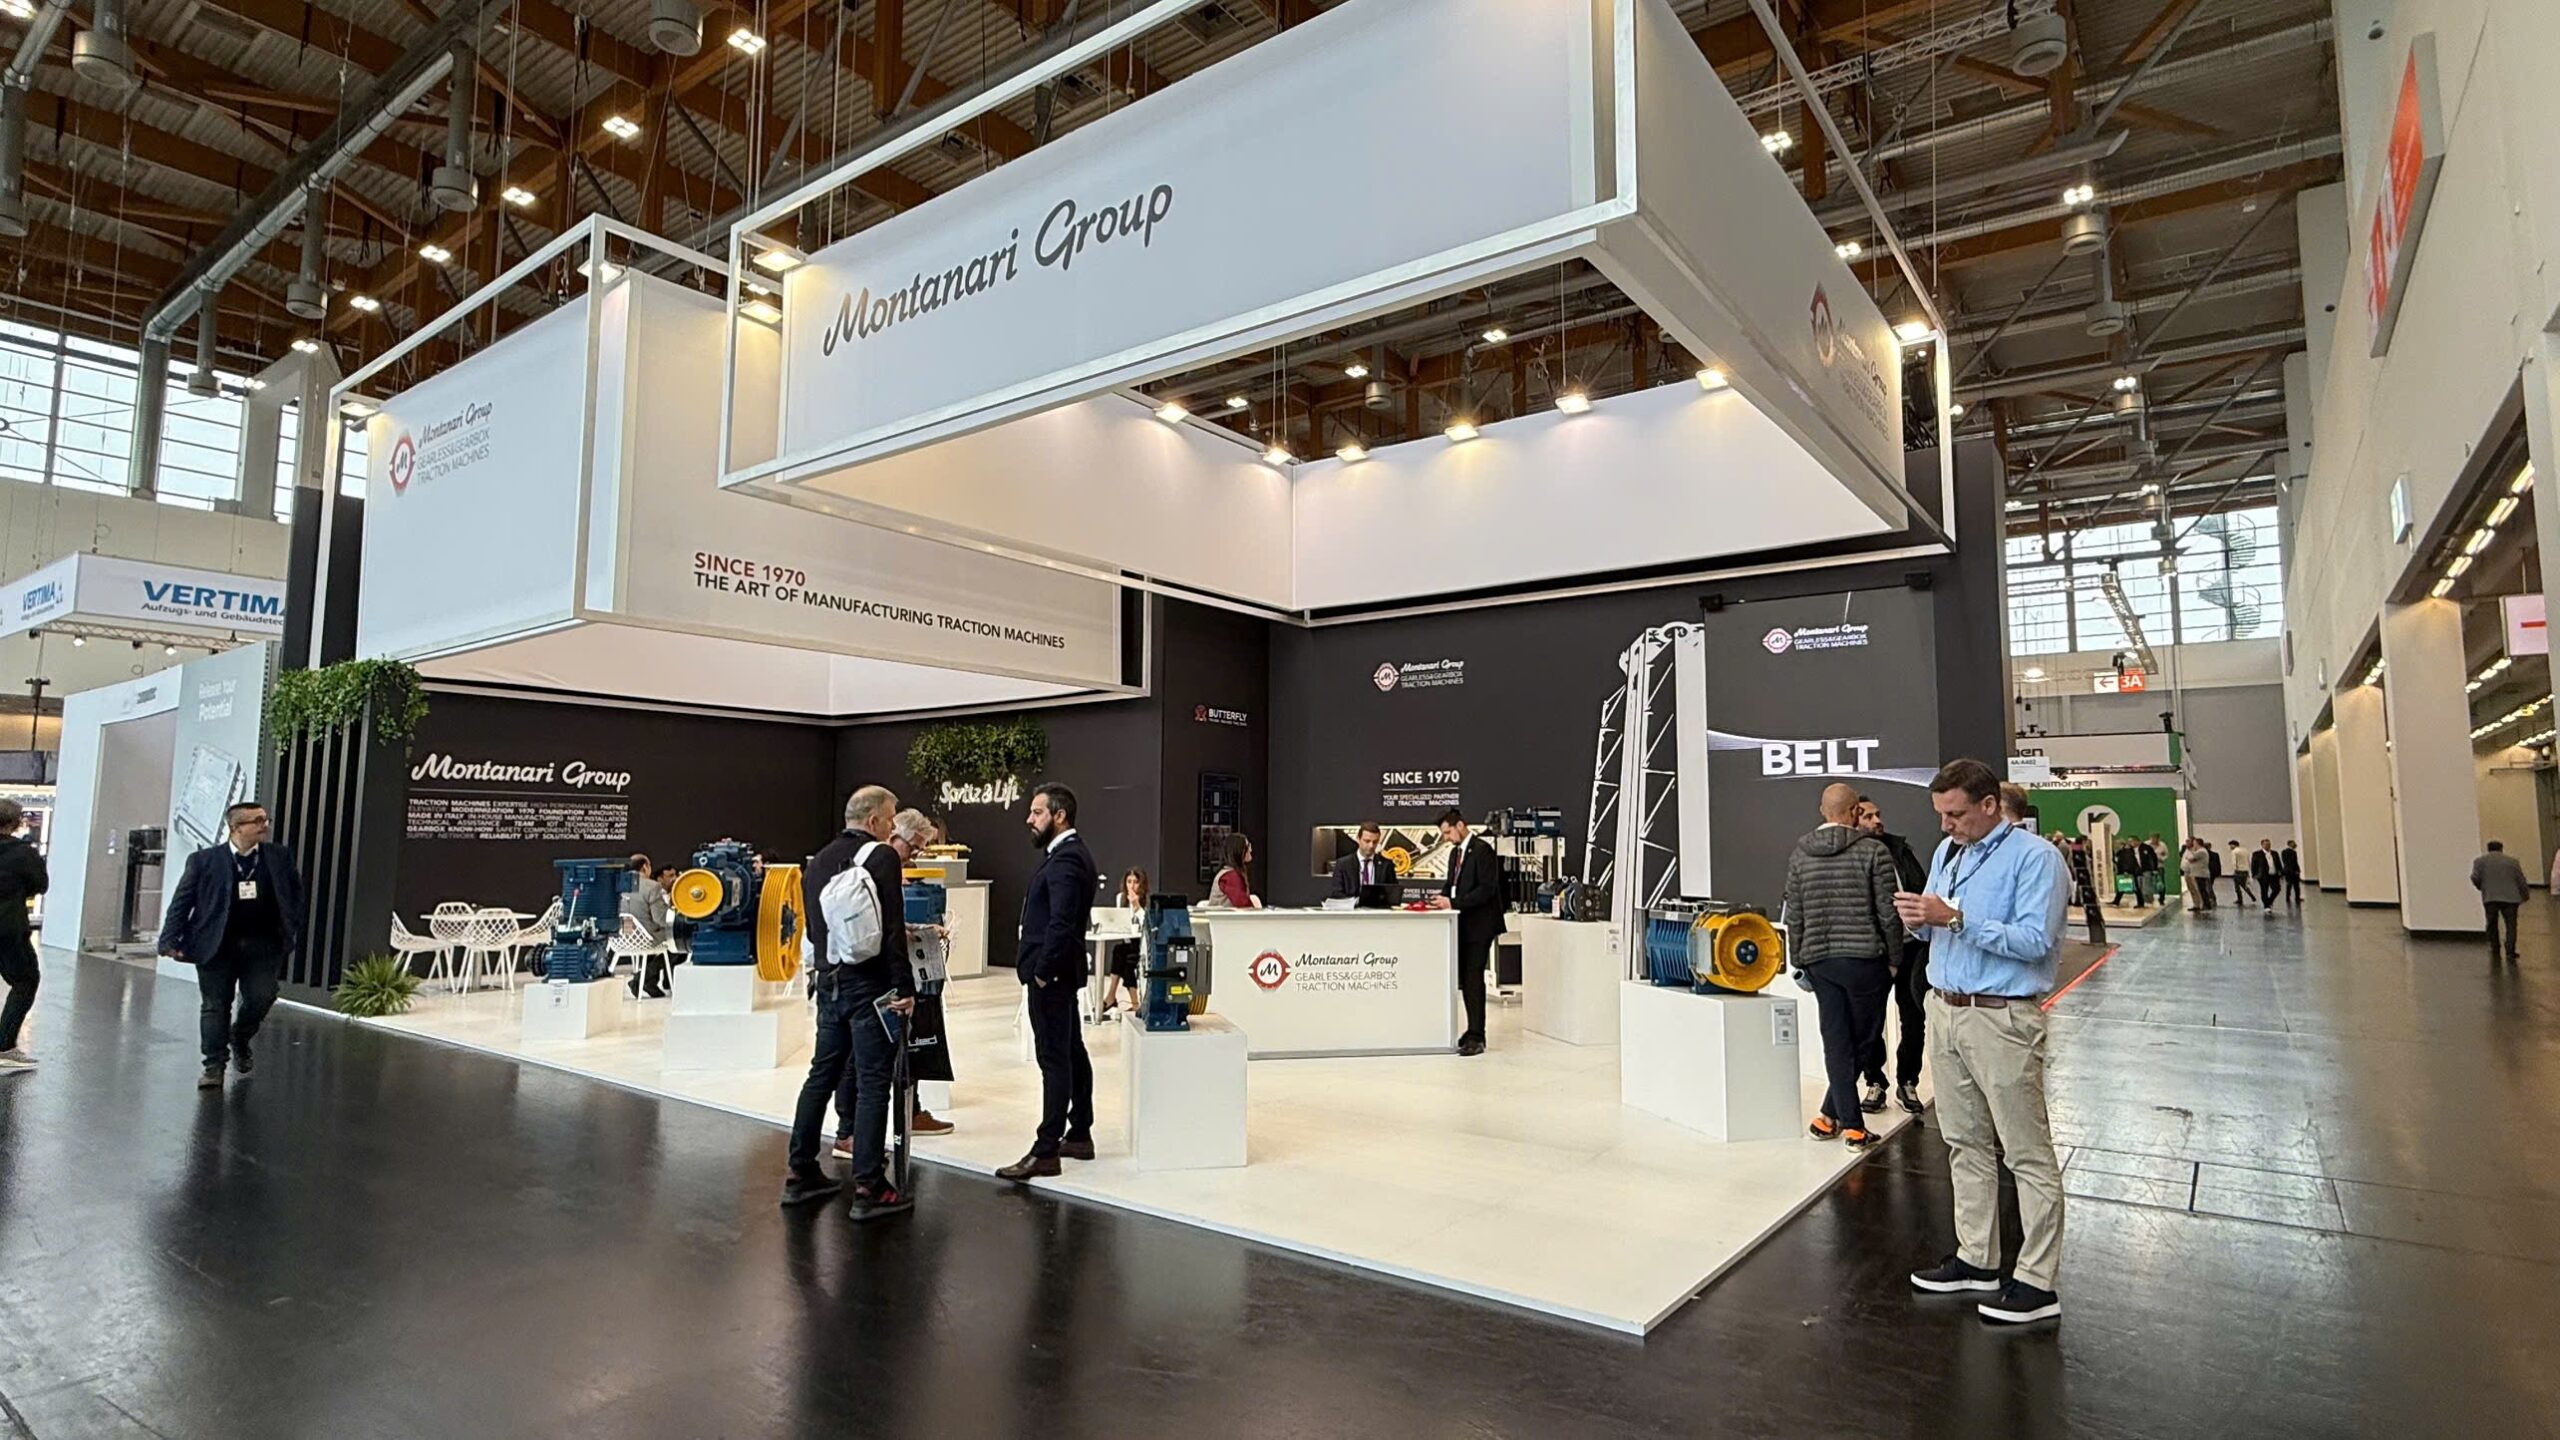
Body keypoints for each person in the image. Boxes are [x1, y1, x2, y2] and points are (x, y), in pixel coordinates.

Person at [1895, 758, 2069, 1326]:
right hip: (1946, 1009)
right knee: (1964, 1142)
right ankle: (1977, 1259)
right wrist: (1919, 919)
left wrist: (1955, 918)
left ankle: (2037, 1282)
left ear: (1990, 805)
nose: (1946, 825)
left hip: (2002, 1018)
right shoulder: (1950, 853)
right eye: (1941, 815)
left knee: (2025, 1152)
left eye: (1956, 814)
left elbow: (2035, 940)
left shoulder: (2036, 859)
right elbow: (1937, 925)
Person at [782, 786, 917, 1220]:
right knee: (874, 1081)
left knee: (821, 1074)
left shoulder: (818, 861)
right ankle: (869, 1185)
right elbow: (891, 929)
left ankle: (800, 1171)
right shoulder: (883, 857)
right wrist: (905, 987)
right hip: (869, 985)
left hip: (829, 982)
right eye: (891, 819)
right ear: (874, 820)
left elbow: (814, 929)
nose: (892, 827)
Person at [1784, 784, 1904, 1149]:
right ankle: (1852, 1126)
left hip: (1820, 962)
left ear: (1823, 811)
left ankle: (1828, 1116)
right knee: (1864, 1042)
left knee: (1836, 1042)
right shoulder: (1874, 852)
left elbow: (1794, 915)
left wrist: (1799, 960)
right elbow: (1888, 913)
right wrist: (1895, 959)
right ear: (1854, 812)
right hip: (1866, 961)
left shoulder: (1800, 854)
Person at [157, 802, 306, 1091]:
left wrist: (292, 925)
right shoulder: (204, 861)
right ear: (236, 827)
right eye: (256, 821)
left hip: (263, 945)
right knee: (215, 1006)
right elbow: (182, 901)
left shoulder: (278, 857)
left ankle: (240, 1036)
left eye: (265, 819)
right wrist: (169, 940)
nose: (264, 826)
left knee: (262, 996)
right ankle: (213, 1066)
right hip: (216, 945)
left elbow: (295, 894)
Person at [999, 783, 1100, 1181]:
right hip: (1058, 974)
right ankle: (1079, 1133)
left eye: (1037, 812)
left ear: (1059, 815)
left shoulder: (1067, 859)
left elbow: (1061, 921)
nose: (1029, 819)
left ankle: (1046, 1150)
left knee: (1055, 1059)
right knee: (1071, 1051)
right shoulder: (1066, 855)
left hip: (1052, 977)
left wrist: (1042, 971)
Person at [1855, 797, 1930, 1115]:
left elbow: (1921, 888)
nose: (1876, 820)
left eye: (1877, 814)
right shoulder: (1850, 857)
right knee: (1869, 1020)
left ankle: (1908, 1081)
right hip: (1875, 951)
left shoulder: (1900, 850)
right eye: (1868, 816)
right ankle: (1875, 1081)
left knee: (1913, 1017)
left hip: (1911, 947)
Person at [1429, 808, 1501, 1056]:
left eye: (1448, 832)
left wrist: (1453, 902)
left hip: (1481, 925)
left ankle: (1477, 1036)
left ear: (1460, 825)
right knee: (1466, 979)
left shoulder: (1482, 850)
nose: (1447, 838)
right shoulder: (1455, 854)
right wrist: (1440, 898)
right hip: (1464, 924)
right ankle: (1472, 1031)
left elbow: (1486, 889)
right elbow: (1452, 885)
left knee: (1473, 978)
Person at [0, 799, 48, 1074]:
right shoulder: (22, 853)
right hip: (7, 928)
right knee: (25, 981)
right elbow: (40, 884)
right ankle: (4, 1046)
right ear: (15, 823)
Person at [1095, 867, 1147, 1022]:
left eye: (1135, 882)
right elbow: (1120, 920)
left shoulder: (1146, 900)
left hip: (1142, 942)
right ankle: (1113, 996)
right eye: (1129, 882)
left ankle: (1128, 1001)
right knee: (1119, 951)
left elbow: (1146, 923)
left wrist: (1137, 906)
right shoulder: (1120, 898)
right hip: (1127, 939)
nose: (1132, 886)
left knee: (1127, 959)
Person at [622, 854, 675, 998]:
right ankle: (643, 979)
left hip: (621, 938)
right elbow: (661, 919)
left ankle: (649, 981)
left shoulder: (618, 885)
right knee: (678, 938)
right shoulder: (652, 886)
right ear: (645, 867)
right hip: (646, 938)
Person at [2472, 840, 2529, 964]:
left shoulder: (2479, 861)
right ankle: (2510, 950)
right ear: (2501, 849)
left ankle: (2495, 946)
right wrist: (2525, 895)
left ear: (2488, 849)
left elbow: (2475, 877)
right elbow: (2521, 880)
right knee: (2511, 924)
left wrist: (2482, 887)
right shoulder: (2513, 862)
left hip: (2490, 897)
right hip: (2511, 898)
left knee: (2492, 923)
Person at [1331, 823, 1398, 907]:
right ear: (1358, 839)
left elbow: (1392, 894)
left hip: (1378, 912)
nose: (1371, 846)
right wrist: (1356, 901)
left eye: (1375, 842)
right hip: (1352, 911)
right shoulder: (1343, 864)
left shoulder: (1387, 865)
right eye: (1367, 841)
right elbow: (1337, 893)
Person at [1210, 834, 1260, 909]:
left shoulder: (1230, 873)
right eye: (1247, 846)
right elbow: (1243, 905)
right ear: (1238, 850)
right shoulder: (1230, 877)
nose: (1250, 850)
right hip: (1222, 916)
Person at [2182, 838, 2213, 910]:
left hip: (2199, 873)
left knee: (2200, 890)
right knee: (2197, 890)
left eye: (2194, 842)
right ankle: (2198, 905)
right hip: (2193, 873)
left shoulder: (2200, 851)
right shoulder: (2196, 851)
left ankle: (2205, 905)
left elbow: (2190, 858)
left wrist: (2190, 855)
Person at [2251, 841, 2279, 912]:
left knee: (2277, 889)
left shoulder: (2275, 853)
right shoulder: (2257, 854)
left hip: (2274, 874)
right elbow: (2253, 864)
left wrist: (2280, 872)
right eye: (2266, 844)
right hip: (2263, 875)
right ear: (2262, 845)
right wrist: (2254, 874)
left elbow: (2278, 863)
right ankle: (2266, 906)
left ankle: (2269, 901)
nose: (2268, 846)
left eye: (2269, 844)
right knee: (2264, 890)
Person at [2226, 841, 2253, 906]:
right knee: (2244, 884)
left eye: (2231, 845)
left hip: (2238, 871)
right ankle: (2251, 896)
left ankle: (2240, 899)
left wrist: (2235, 870)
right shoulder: (2245, 851)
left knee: (2237, 886)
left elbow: (2234, 862)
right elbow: (2248, 861)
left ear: (2234, 845)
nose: (2230, 847)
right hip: (2245, 870)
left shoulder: (2234, 852)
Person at [2281, 840, 2304, 904]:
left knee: (2289, 885)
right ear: (2290, 844)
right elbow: (2293, 862)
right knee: (2295, 885)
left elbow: (2286, 862)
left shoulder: (2284, 852)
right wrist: (2296, 870)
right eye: (2293, 843)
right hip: (2292, 871)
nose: (2295, 844)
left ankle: (2288, 898)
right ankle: (2297, 898)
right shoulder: (2292, 852)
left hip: (2288, 871)